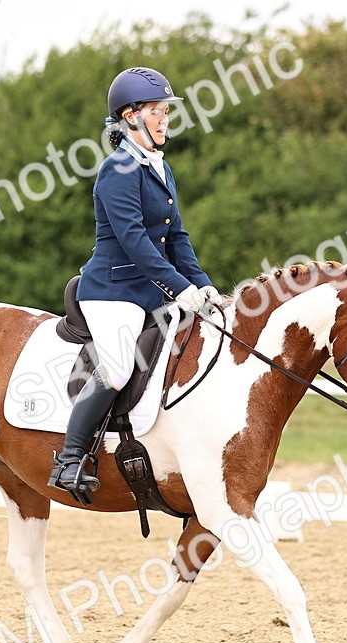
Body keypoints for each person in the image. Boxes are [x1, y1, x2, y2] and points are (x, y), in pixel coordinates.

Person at [48, 66, 220, 501]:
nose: (165, 119)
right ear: (131, 116)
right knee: (119, 367)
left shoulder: (160, 167)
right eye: (158, 111)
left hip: (150, 291)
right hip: (112, 292)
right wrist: (180, 288)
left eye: (166, 111)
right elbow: (135, 241)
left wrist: (202, 284)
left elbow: (176, 237)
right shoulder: (118, 170)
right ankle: (69, 459)